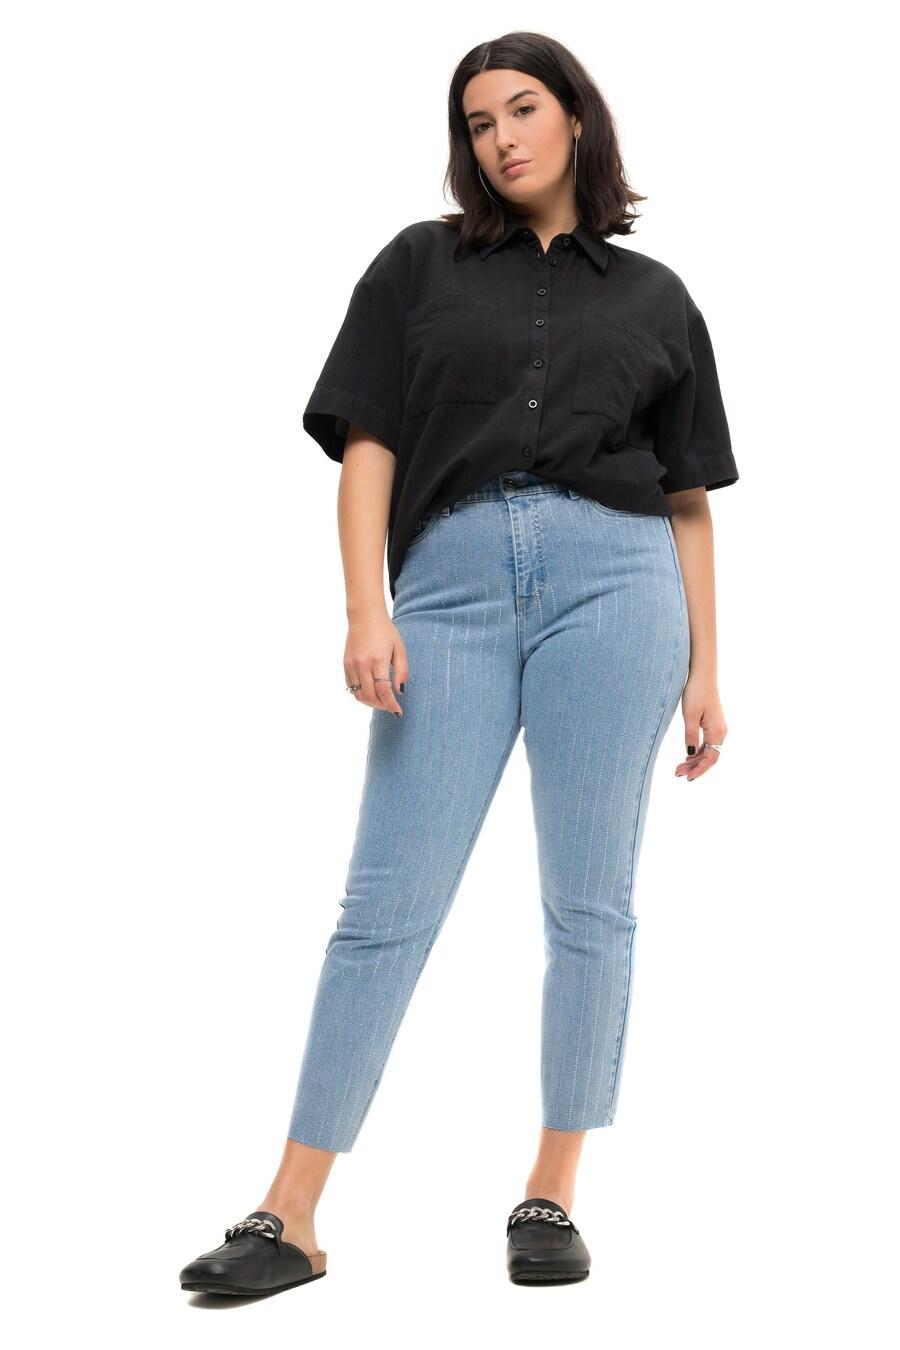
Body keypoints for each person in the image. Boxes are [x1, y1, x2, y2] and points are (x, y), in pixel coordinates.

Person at [180, 30, 739, 1297]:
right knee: (385, 904)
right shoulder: (416, 266)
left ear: (576, 118)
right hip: (450, 589)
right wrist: (366, 609)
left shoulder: (657, 298)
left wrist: (709, 667)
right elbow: (368, 444)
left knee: (589, 903)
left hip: (619, 587)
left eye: (523, 110)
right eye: (480, 122)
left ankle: (551, 1193)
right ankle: (290, 1215)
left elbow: (688, 496)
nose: (502, 139)